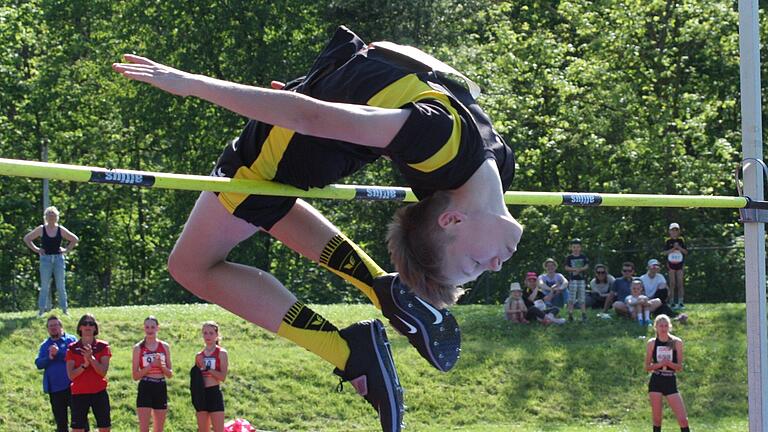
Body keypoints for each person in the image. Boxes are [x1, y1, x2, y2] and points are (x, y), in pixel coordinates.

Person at [113, 26, 526, 430]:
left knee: (198, 258)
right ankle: (371, 307)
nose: (492, 266)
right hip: (299, 140)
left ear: (451, 219)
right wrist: (198, 83)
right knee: (226, 235)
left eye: (474, 263)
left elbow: (352, 94)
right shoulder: (465, 157)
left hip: (291, 146)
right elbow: (325, 111)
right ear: (451, 218)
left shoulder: (475, 162)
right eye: (475, 262)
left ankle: (356, 335)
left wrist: (320, 88)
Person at [23, 206, 79, 317]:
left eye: (53, 215)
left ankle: (64, 310)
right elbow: (27, 238)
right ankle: (41, 311)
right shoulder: (41, 229)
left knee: (60, 285)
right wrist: (37, 249)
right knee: (44, 286)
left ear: (57, 217)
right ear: (46, 217)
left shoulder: (60, 229)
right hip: (45, 259)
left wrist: (66, 249)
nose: (51, 218)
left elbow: (74, 239)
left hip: (58, 259)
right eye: (49, 215)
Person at [35, 315, 83, 432]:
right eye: (50, 326)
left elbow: (79, 358)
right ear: (47, 329)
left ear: (61, 327)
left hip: (73, 387)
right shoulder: (45, 345)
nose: (53, 328)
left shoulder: (71, 340)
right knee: (61, 423)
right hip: (55, 390)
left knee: (80, 421)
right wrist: (50, 357)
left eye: (56, 325)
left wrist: (59, 354)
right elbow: (38, 364)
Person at [66, 313, 112, 432]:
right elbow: (71, 376)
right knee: (77, 429)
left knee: (105, 427)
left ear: (95, 328)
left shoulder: (103, 346)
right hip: (79, 393)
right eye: (84, 323)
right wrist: (85, 365)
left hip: (99, 392)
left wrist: (91, 358)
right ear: (80, 327)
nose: (88, 326)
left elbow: (102, 372)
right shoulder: (72, 348)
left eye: (91, 324)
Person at [645, 315, 690, 432]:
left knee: (683, 419)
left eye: (666, 326)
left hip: (670, 380)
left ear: (669, 326)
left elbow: (679, 367)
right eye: (661, 326)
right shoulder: (652, 343)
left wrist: (668, 363)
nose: (663, 328)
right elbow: (647, 367)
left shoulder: (676, 342)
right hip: (656, 380)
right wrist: (660, 364)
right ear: (656, 327)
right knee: (657, 418)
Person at [132, 316, 173, 432]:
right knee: (144, 428)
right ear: (144, 328)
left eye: (152, 327)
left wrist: (161, 366)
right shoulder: (138, 348)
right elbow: (135, 376)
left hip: (160, 386)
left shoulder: (164, 347)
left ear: (157, 328)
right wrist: (150, 366)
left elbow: (170, 374)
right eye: (147, 327)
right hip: (146, 386)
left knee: (159, 428)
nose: (150, 330)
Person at [194, 322, 228, 432]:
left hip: (214, 393)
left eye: (211, 333)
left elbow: (222, 377)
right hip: (201, 394)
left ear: (216, 335)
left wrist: (206, 367)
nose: (208, 336)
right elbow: (196, 377)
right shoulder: (199, 355)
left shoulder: (221, 353)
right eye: (205, 333)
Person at [662, 223, 688, 309]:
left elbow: (685, 252)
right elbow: (665, 253)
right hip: (671, 265)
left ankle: (680, 302)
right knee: (672, 283)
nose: (674, 232)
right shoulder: (667, 241)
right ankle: (672, 302)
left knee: (680, 283)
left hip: (680, 265)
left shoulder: (681, 240)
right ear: (669, 231)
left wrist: (679, 248)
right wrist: (673, 248)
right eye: (672, 230)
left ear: (679, 231)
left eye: (676, 230)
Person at [564, 238, 589, 321]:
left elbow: (586, 266)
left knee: (582, 297)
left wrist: (580, 269)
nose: (576, 249)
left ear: (580, 248)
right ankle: (570, 314)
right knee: (572, 298)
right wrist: (574, 270)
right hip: (573, 279)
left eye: (577, 247)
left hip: (581, 280)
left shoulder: (583, 256)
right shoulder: (569, 257)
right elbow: (566, 267)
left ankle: (584, 314)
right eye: (574, 247)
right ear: (571, 248)